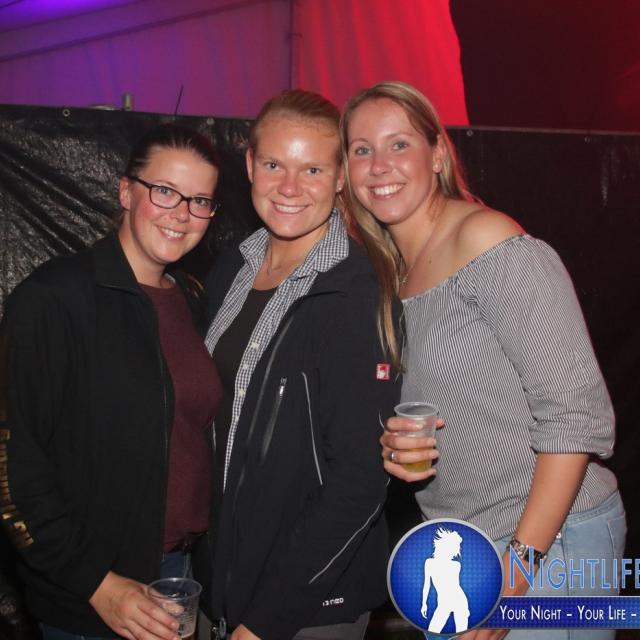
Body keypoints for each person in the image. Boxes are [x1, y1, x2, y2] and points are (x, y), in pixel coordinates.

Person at [340, 81, 626, 640]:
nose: (379, 165)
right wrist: (396, 447)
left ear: (437, 154)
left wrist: (512, 578)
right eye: (361, 149)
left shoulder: (487, 240)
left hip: (552, 544)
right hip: (462, 547)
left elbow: (576, 417)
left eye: (399, 144)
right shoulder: (391, 275)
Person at [192, 89, 402, 640]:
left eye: (312, 168)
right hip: (223, 584)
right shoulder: (231, 271)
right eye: (273, 165)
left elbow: (361, 479)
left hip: (306, 607)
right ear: (249, 165)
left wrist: (266, 620)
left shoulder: (355, 293)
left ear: (340, 178)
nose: (289, 187)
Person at [0, 124, 222, 640]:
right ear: (125, 191)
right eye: (164, 190)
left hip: (184, 573)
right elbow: (12, 467)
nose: (181, 213)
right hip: (95, 594)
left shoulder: (192, 299)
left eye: (200, 200)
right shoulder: (54, 298)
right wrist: (98, 584)